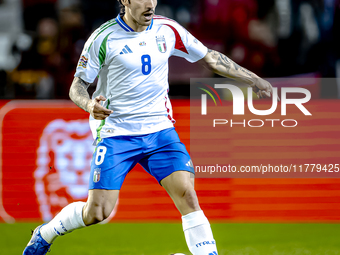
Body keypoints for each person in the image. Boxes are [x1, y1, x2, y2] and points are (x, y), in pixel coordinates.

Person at [23, 0, 273, 254]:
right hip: (116, 133)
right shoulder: (103, 37)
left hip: (159, 131)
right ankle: (45, 233)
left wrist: (253, 79)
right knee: (98, 212)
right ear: (125, 1)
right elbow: (77, 86)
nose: (150, 4)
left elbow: (210, 58)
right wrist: (89, 105)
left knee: (187, 194)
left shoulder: (167, 29)